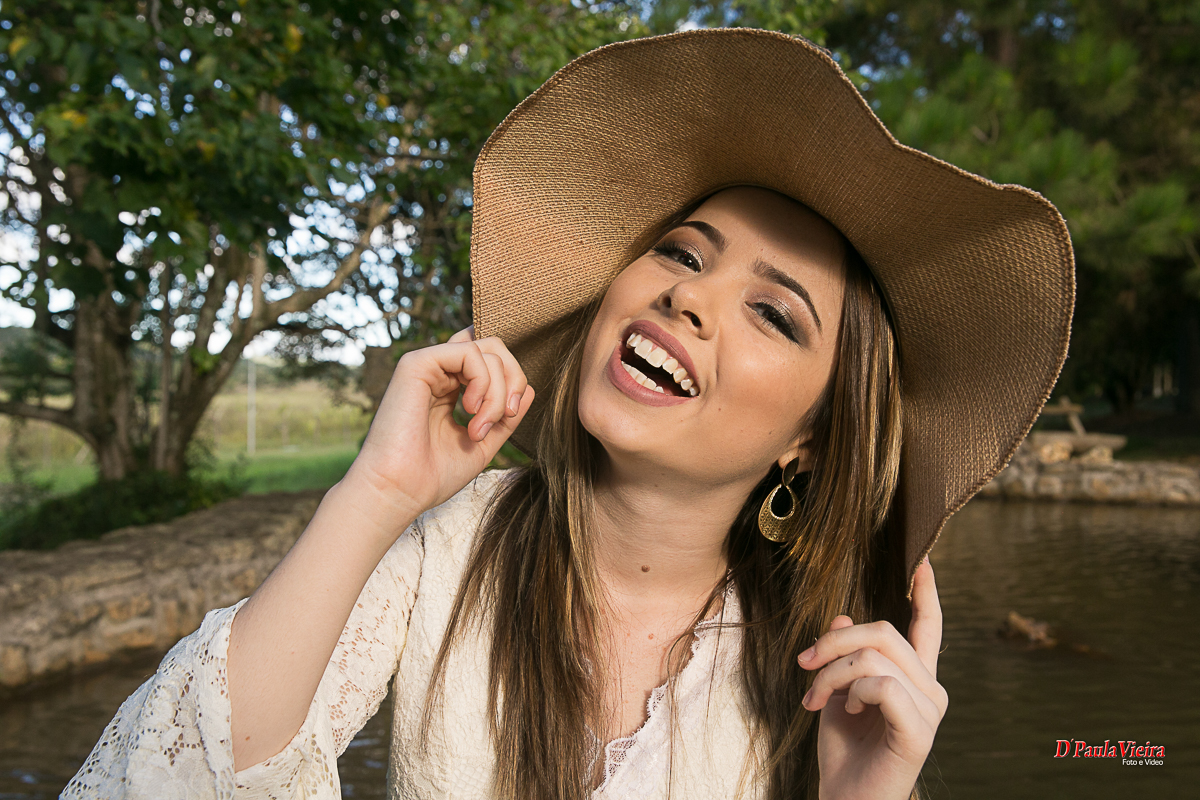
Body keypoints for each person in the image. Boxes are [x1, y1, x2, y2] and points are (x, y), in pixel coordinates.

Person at [62, 28, 1073, 800]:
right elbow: (176, 774)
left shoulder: (818, 671)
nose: (690, 296)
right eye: (682, 251)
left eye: (772, 311)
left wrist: (867, 793)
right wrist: (376, 492)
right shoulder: (449, 543)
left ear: (810, 436)